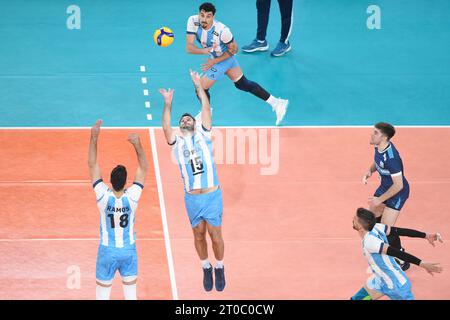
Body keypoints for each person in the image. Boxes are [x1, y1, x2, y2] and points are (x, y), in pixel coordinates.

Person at [160, 70, 226, 292]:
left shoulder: (204, 133)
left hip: (212, 195)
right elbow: (165, 127)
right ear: (180, 127)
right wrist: (168, 104)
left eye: (189, 118)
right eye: (183, 119)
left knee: (215, 235)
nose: (186, 119)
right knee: (198, 235)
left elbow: (205, 108)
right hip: (192, 199)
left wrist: (199, 86)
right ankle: (205, 266)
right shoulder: (177, 142)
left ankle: (220, 266)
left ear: (195, 124)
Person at [186, 2, 288, 126]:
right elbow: (189, 48)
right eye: (202, 15)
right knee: (242, 84)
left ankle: (206, 113)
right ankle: (276, 103)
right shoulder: (193, 21)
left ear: (213, 17)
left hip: (225, 59)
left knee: (201, 86)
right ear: (198, 14)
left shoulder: (222, 31)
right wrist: (205, 51)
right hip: (216, 57)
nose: (204, 19)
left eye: (208, 16)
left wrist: (214, 61)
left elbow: (234, 50)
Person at [88, 119, 148, 300]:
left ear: (110, 181)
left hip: (107, 251)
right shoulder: (132, 197)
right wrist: (137, 145)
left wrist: (94, 137)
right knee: (131, 297)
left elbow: (92, 165)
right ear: (126, 182)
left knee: (102, 296)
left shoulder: (103, 196)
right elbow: (143, 167)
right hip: (128, 251)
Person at [351, 208, 443, 300]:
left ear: (360, 226)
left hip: (397, 285)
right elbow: (399, 231)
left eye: (354, 218)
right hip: (380, 281)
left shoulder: (370, 241)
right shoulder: (377, 227)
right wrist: (425, 235)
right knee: (358, 298)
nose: (353, 219)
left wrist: (421, 263)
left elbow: (397, 253)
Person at [363, 122, 411, 270]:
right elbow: (378, 161)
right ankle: (384, 248)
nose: (372, 134)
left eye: (375, 133)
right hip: (385, 187)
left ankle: (401, 259)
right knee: (373, 220)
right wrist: (370, 170)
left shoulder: (392, 158)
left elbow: (399, 185)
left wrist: (379, 200)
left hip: (397, 193)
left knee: (386, 228)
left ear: (384, 137)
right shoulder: (379, 146)